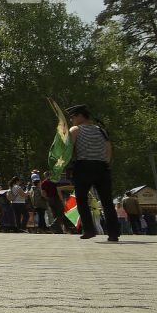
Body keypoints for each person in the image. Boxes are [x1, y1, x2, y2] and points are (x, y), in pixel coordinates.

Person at [52, 101, 117, 242]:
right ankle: (113, 233)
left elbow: (68, 148)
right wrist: (105, 163)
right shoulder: (101, 130)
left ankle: (89, 229)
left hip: (84, 166)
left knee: (81, 199)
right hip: (102, 167)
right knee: (107, 202)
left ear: (80, 116)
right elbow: (108, 149)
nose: (71, 120)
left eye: (73, 117)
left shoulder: (75, 129)